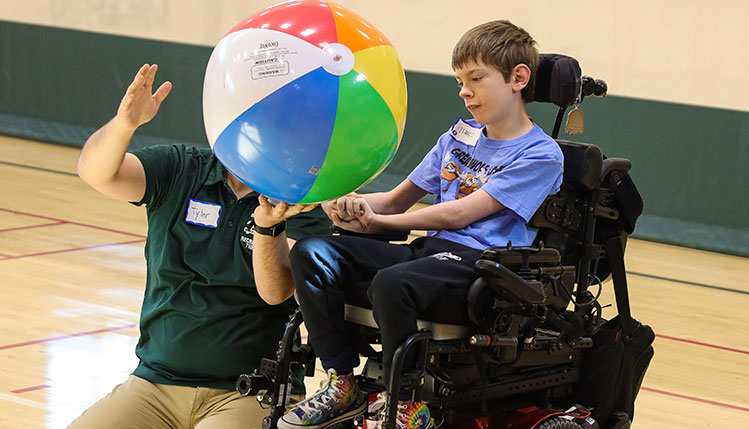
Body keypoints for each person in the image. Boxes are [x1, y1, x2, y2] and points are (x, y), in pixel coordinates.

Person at [278, 20, 564, 429]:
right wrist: (343, 204)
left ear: (518, 78)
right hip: (429, 254)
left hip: (479, 264)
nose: (464, 91)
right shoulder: (457, 137)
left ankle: (409, 403)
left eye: (476, 79)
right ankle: (343, 383)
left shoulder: (541, 154)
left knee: (392, 283)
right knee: (312, 253)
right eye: (459, 81)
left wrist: (378, 220)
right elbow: (396, 199)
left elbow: (461, 213)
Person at [69, 63, 330, 429]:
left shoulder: (301, 202)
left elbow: (276, 291)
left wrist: (269, 227)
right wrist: (125, 124)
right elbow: (96, 172)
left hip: (249, 392)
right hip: (154, 385)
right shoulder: (180, 168)